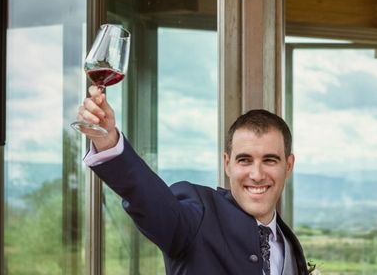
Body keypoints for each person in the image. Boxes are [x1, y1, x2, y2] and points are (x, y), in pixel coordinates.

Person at [77, 85, 309, 275]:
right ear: (227, 163)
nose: (257, 175)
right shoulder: (197, 216)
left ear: (288, 166)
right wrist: (109, 143)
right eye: (245, 160)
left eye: (269, 160)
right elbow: (149, 199)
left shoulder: (288, 243)